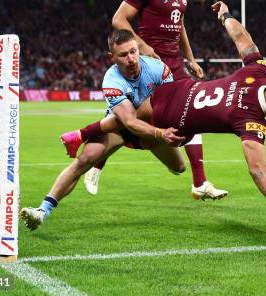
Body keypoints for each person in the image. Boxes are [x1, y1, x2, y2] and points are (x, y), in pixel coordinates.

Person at [62, 1, 266, 227]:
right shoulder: (251, 121)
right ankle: (85, 152)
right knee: (128, 128)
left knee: (130, 125)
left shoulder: (261, 71)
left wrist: (226, 16)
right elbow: (257, 168)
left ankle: (83, 135)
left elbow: (241, 37)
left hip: (177, 91)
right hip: (173, 116)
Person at [61, 0, 226, 201]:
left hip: (175, 66)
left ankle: (199, 182)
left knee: (191, 115)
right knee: (134, 118)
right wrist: (143, 46)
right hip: (148, 66)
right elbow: (119, 19)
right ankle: (97, 162)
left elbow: (180, 27)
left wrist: (190, 59)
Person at [20, 29, 185, 231]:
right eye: (124, 55)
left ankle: (92, 148)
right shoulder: (111, 80)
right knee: (83, 160)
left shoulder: (158, 69)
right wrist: (161, 134)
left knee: (179, 168)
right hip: (121, 128)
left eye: (133, 51)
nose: (131, 58)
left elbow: (171, 106)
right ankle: (42, 211)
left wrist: (160, 131)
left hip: (152, 127)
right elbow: (129, 122)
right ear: (112, 57)